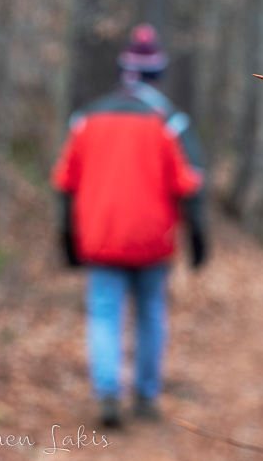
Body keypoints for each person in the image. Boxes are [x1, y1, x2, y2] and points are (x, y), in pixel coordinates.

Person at [50, 24, 207, 427]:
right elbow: (187, 183)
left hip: (100, 239)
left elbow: (65, 182)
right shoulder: (166, 122)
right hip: (153, 241)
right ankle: (146, 397)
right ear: (159, 73)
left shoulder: (87, 120)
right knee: (151, 314)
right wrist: (199, 235)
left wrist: (66, 237)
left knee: (104, 315)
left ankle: (108, 392)